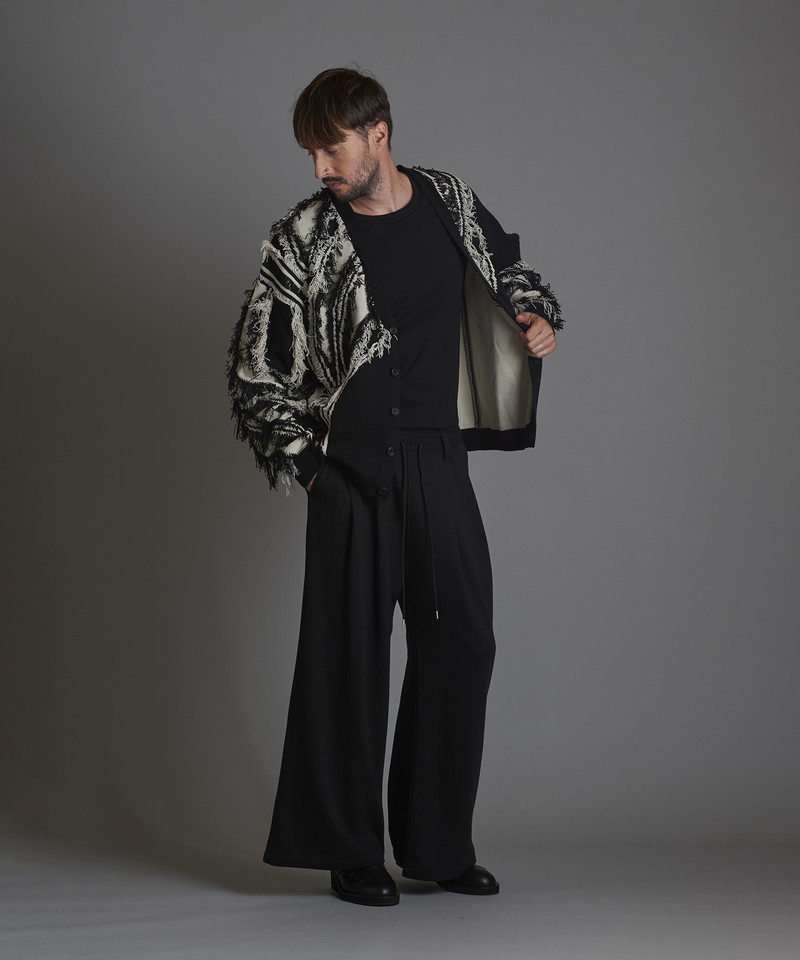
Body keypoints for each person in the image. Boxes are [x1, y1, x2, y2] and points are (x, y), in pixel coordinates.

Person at [226, 67, 563, 907]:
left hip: (437, 459)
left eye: (331, 149)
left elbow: (509, 268)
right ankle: (351, 851)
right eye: (309, 153)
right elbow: (255, 367)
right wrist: (311, 470)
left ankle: (437, 846)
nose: (319, 169)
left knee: (462, 644)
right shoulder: (303, 236)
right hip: (349, 473)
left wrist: (533, 315)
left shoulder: (448, 200)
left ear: (378, 134)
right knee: (347, 660)